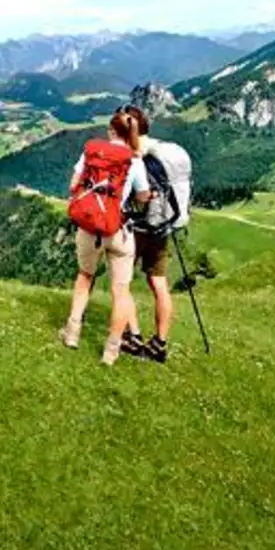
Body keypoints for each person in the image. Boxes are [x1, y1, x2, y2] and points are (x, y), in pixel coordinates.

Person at [60, 107, 153, 366]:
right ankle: (111, 351)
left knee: (85, 277)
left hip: (90, 228)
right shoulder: (134, 161)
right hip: (119, 231)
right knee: (120, 290)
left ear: (110, 130)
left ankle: (72, 333)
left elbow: (72, 185)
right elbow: (143, 197)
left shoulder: (91, 152)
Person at [120, 107, 193, 364]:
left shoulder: (136, 158)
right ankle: (159, 344)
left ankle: (133, 337)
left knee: (123, 281)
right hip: (164, 227)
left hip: (139, 228)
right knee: (159, 284)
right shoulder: (165, 151)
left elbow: (133, 196)